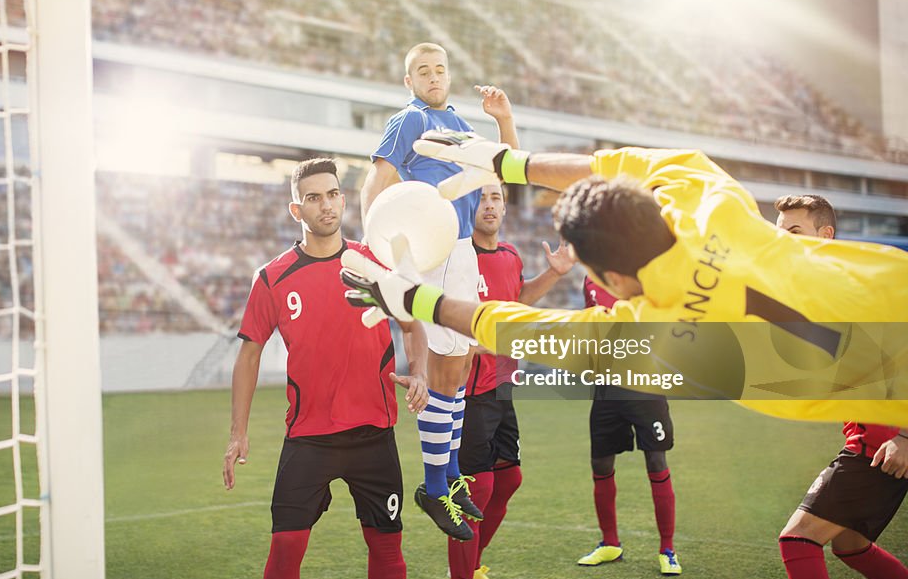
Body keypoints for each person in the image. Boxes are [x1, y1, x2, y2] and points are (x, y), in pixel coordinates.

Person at [338, 136, 908, 426]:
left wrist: (415, 298)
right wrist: (513, 162)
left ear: (609, 275)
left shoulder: (660, 336)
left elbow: (517, 328)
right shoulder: (708, 200)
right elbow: (630, 166)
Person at [223, 158, 429, 579]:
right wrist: (237, 431)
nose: (327, 205)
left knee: (387, 546)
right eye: (313, 198)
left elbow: (413, 323)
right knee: (285, 548)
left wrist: (421, 372)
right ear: (297, 210)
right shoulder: (273, 278)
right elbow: (249, 354)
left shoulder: (373, 263)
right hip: (309, 437)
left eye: (333, 194)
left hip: (374, 432)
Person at [359, 42, 520, 540]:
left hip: (463, 246)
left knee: (461, 359)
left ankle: (448, 477)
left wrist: (502, 119)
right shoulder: (409, 120)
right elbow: (376, 182)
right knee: (443, 358)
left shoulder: (455, 120)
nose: (433, 77)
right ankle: (433, 485)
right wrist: (379, 249)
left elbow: (502, 166)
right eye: (422, 72)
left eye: (439, 69)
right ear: (409, 81)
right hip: (430, 246)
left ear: (449, 76)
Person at [772, 194, 908, 579]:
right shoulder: (822, 285)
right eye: (781, 234)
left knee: (798, 539)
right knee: (851, 546)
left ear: (825, 234)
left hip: (882, 442)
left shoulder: (856, 282)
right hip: (871, 436)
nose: (786, 242)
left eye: (795, 232)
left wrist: (904, 435)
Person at [449, 184, 575, 579]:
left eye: (496, 198)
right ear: (469, 206)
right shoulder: (456, 258)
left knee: (509, 479)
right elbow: (448, 320)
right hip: (470, 392)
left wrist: (553, 274)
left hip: (502, 384)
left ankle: (473, 567)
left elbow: (516, 301)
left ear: (504, 207)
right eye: (482, 198)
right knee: (476, 489)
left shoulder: (509, 256)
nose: (489, 205)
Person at [576, 276, 680, 576]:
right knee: (600, 463)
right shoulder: (590, 280)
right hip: (607, 386)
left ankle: (667, 549)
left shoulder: (644, 275)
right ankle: (610, 543)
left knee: (656, 459)